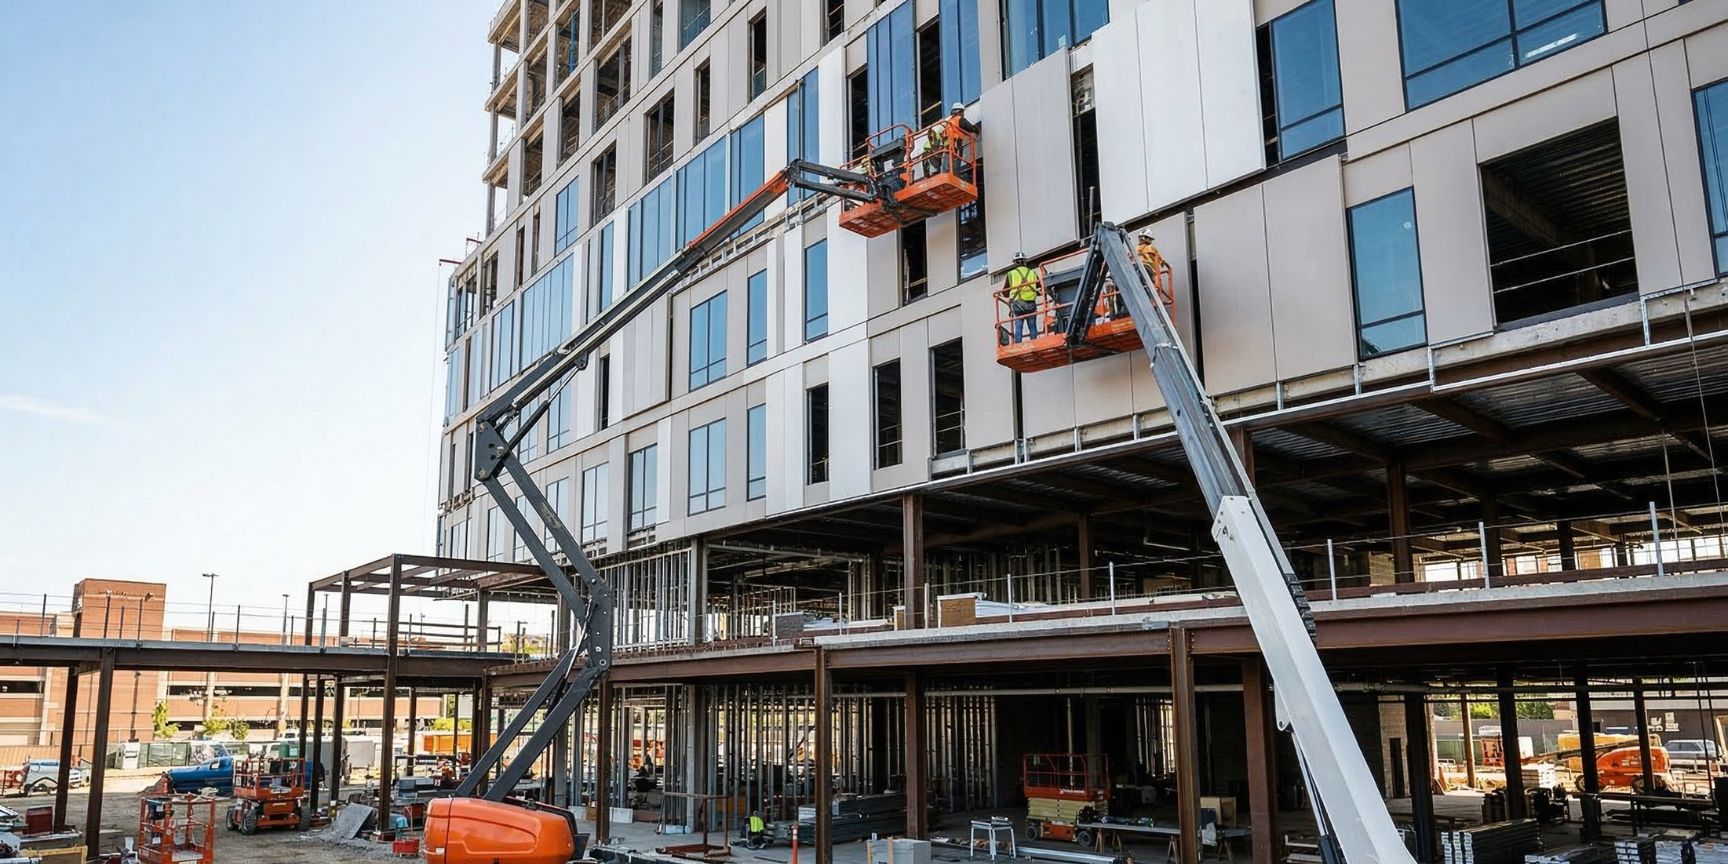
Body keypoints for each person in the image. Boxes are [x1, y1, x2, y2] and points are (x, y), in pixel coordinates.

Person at [1000, 253, 1043, 343]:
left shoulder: (1011, 274)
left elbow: (1005, 292)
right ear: (1025, 262)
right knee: (1032, 326)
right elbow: (1039, 287)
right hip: (1030, 303)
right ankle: (1034, 343)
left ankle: (1018, 344)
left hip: (1018, 303)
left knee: (1018, 325)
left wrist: (1006, 295)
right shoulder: (1032, 273)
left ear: (1015, 263)